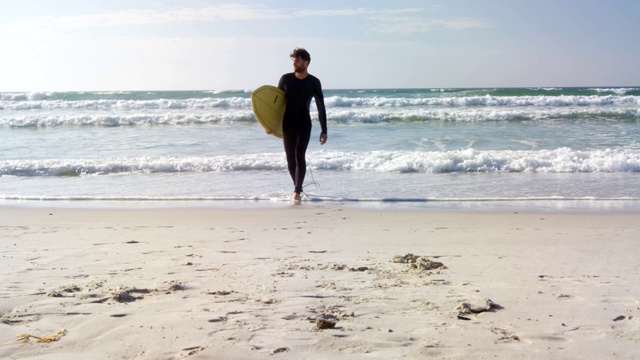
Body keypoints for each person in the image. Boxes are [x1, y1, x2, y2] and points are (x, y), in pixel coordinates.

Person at [277, 48, 328, 201]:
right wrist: (270, 124)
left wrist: (324, 130)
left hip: (304, 123)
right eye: (293, 60)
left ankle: (297, 191)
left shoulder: (313, 82)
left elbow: (321, 107)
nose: (294, 62)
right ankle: (297, 187)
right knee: (290, 158)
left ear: (306, 63)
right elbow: (276, 104)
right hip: (287, 123)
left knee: (300, 155)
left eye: (297, 60)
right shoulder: (285, 79)